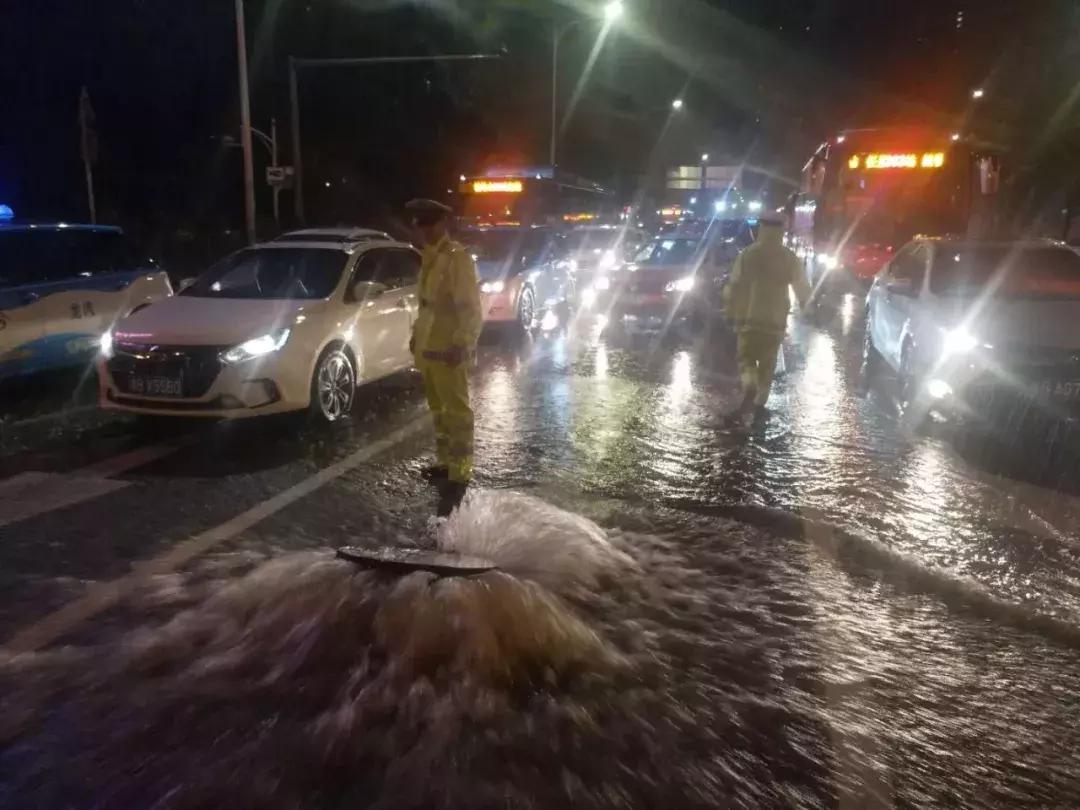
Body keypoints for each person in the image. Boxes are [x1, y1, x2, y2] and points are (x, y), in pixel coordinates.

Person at [406, 198, 483, 516]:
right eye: (419, 224)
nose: (422, 231)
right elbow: (426, 307)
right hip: (429, 350)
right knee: (439, 412)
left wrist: (462, 343)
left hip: (449, 351)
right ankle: (445, 463)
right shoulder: (430, 257)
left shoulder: (457, 259)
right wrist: (415, 338)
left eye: (427, 224)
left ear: (441, 224)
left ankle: (461, 471)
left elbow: (470, 308)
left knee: (457, 412)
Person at [722, 213, 810, 424]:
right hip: (775, 322)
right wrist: (809, 308)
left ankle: (749, 386)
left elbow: (733, 287)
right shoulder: (789, 257)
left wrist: (730, 312)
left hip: (748, 319)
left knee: (746, 358)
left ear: (760, 229)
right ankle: (760, 404)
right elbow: (802, 287)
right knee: (768, 364)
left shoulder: (748, 255)